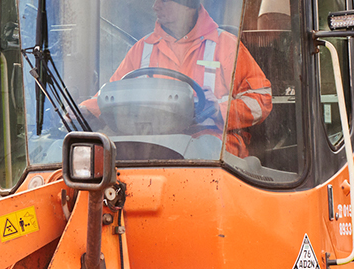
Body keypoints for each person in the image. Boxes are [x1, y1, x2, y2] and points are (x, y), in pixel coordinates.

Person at [92, 0, 273, 156]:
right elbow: (110, 95)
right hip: (152, 147)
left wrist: (221, 110)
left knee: (205, 149)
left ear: (187, 4)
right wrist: (84, 111)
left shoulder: (226, 46)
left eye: (163, 0)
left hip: (216, 154)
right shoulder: (143, 48)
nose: (155, 6)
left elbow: (261, 100)